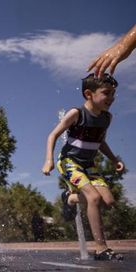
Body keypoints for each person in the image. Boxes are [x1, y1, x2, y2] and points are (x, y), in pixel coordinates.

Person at [42, 73, 125, 261]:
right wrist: (49, 160)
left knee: (108, 201)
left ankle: (70, 198)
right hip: (70, 161)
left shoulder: (106, 118)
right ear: (89, 94)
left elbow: (100, 142)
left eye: (113, 94)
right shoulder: (76, 114)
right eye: (106, 93)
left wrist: (113, 159)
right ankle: (101, 248)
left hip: (89, 164)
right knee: (93, 198)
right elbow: (52, 135)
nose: (111, 98)